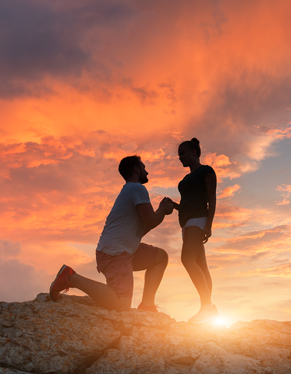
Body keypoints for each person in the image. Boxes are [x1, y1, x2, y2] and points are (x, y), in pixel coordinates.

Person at [49, 155, 174, 312]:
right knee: (121, 306)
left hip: (123, 251)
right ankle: (70, 277)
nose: (147, 172)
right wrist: (162, 211)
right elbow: (151, 222)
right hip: (115, 253)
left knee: (160, 258)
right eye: (144, 168)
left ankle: (147, 305)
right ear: (136, 169)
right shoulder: (137, 188)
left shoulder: (130, 190)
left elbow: (140, 232)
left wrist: (160, 211)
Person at [171, 138, 219, 324]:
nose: (180, 157)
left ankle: (207, 307)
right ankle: (207, 308)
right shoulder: (183, 182)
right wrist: (173, 205)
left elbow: (211, 199)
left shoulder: (206, 171)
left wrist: (209, 224)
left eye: (182, 153)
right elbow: (185, 206)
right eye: (179, 155)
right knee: (202, 266)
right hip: (186, 223)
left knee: (187, 259)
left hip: (198, 220)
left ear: (193, 151)